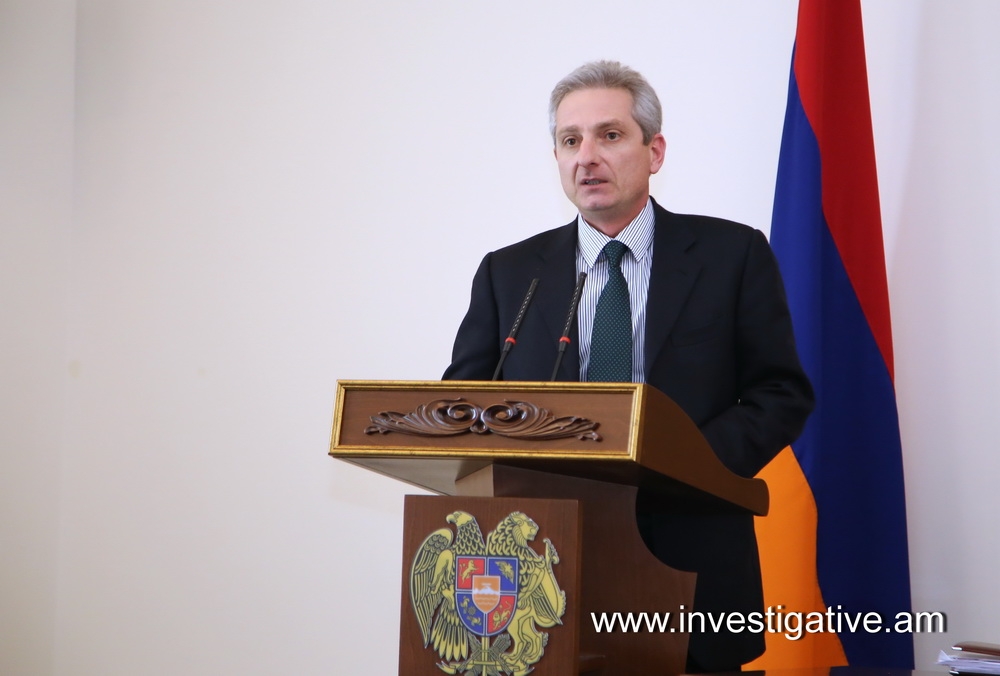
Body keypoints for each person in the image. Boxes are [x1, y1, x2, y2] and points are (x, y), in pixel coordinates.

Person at [443, 60, 814, 672]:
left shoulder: (732, 254)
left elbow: (780, 393)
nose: (587, 157)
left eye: (609, 135)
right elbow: (463, 402)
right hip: (536, 564)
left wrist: (682, 460)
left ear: (654, 151)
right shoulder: (510, 273)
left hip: (692, 555)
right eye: (570, 141)